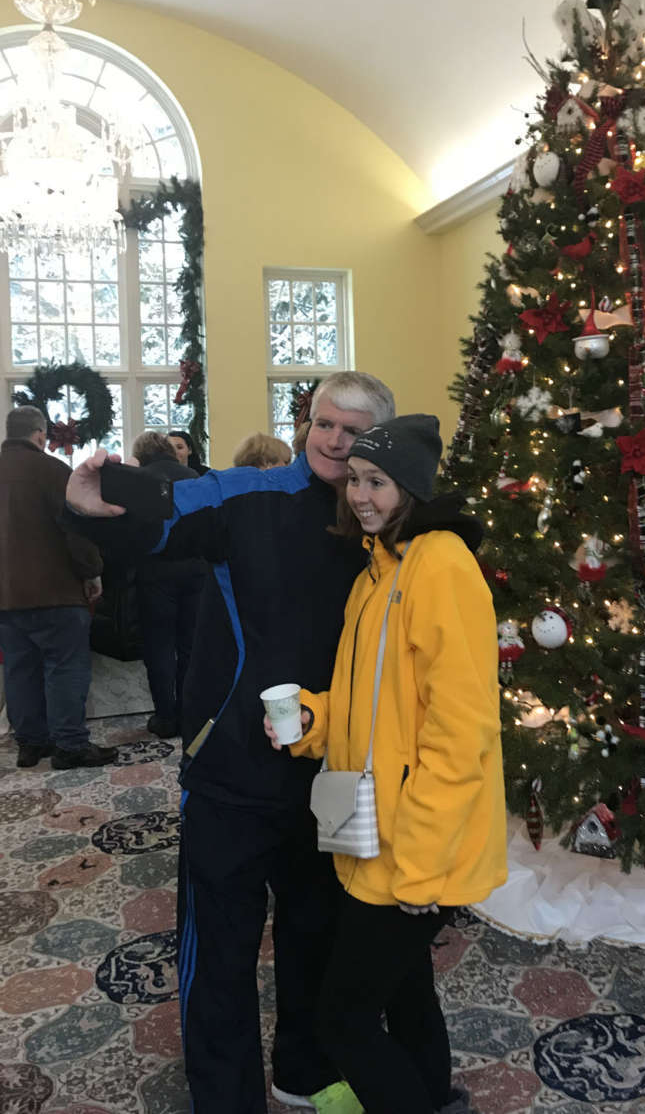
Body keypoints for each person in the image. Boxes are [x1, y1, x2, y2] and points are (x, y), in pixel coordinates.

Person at [65, 372, 395, 1114]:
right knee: (219, 951)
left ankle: (302, 1071)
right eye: (324, 424)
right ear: (306, 423)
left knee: (318, 938)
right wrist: (87, 505)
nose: (335, 442)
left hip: (334, 779)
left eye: (353, 431)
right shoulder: (248, 495)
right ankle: (226, 1096)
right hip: (231, 772)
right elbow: (158, 519)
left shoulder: (388, 525)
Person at [265, 415, 507, 1114]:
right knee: (404, 990)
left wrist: (423, 865)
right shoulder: (380, 569)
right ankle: (433, 1096)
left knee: (341, 1017)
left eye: (376, 481)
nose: (359, 495)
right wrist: (313, 719)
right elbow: (370, 699)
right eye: (353, 481)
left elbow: (462, 732)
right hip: (375, 830)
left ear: (413, 488)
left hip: (414, 849)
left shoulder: (440, 565)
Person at [0, 405, 116, 770]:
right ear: (39, 434)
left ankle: (31, 744)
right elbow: (76, 530)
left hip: (6, 597)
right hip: (56, 592)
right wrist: (92, 572)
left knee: (19, 669)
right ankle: (69, 745)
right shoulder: (53, 471)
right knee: (65, 667)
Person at [130, 431, 205, 739]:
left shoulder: (138, 479)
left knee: (159, 648)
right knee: (190, 647)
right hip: (195, 570)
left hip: (155, 571)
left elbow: (131, 529)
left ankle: (165, 717)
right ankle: (189, 714)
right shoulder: (192, 475)